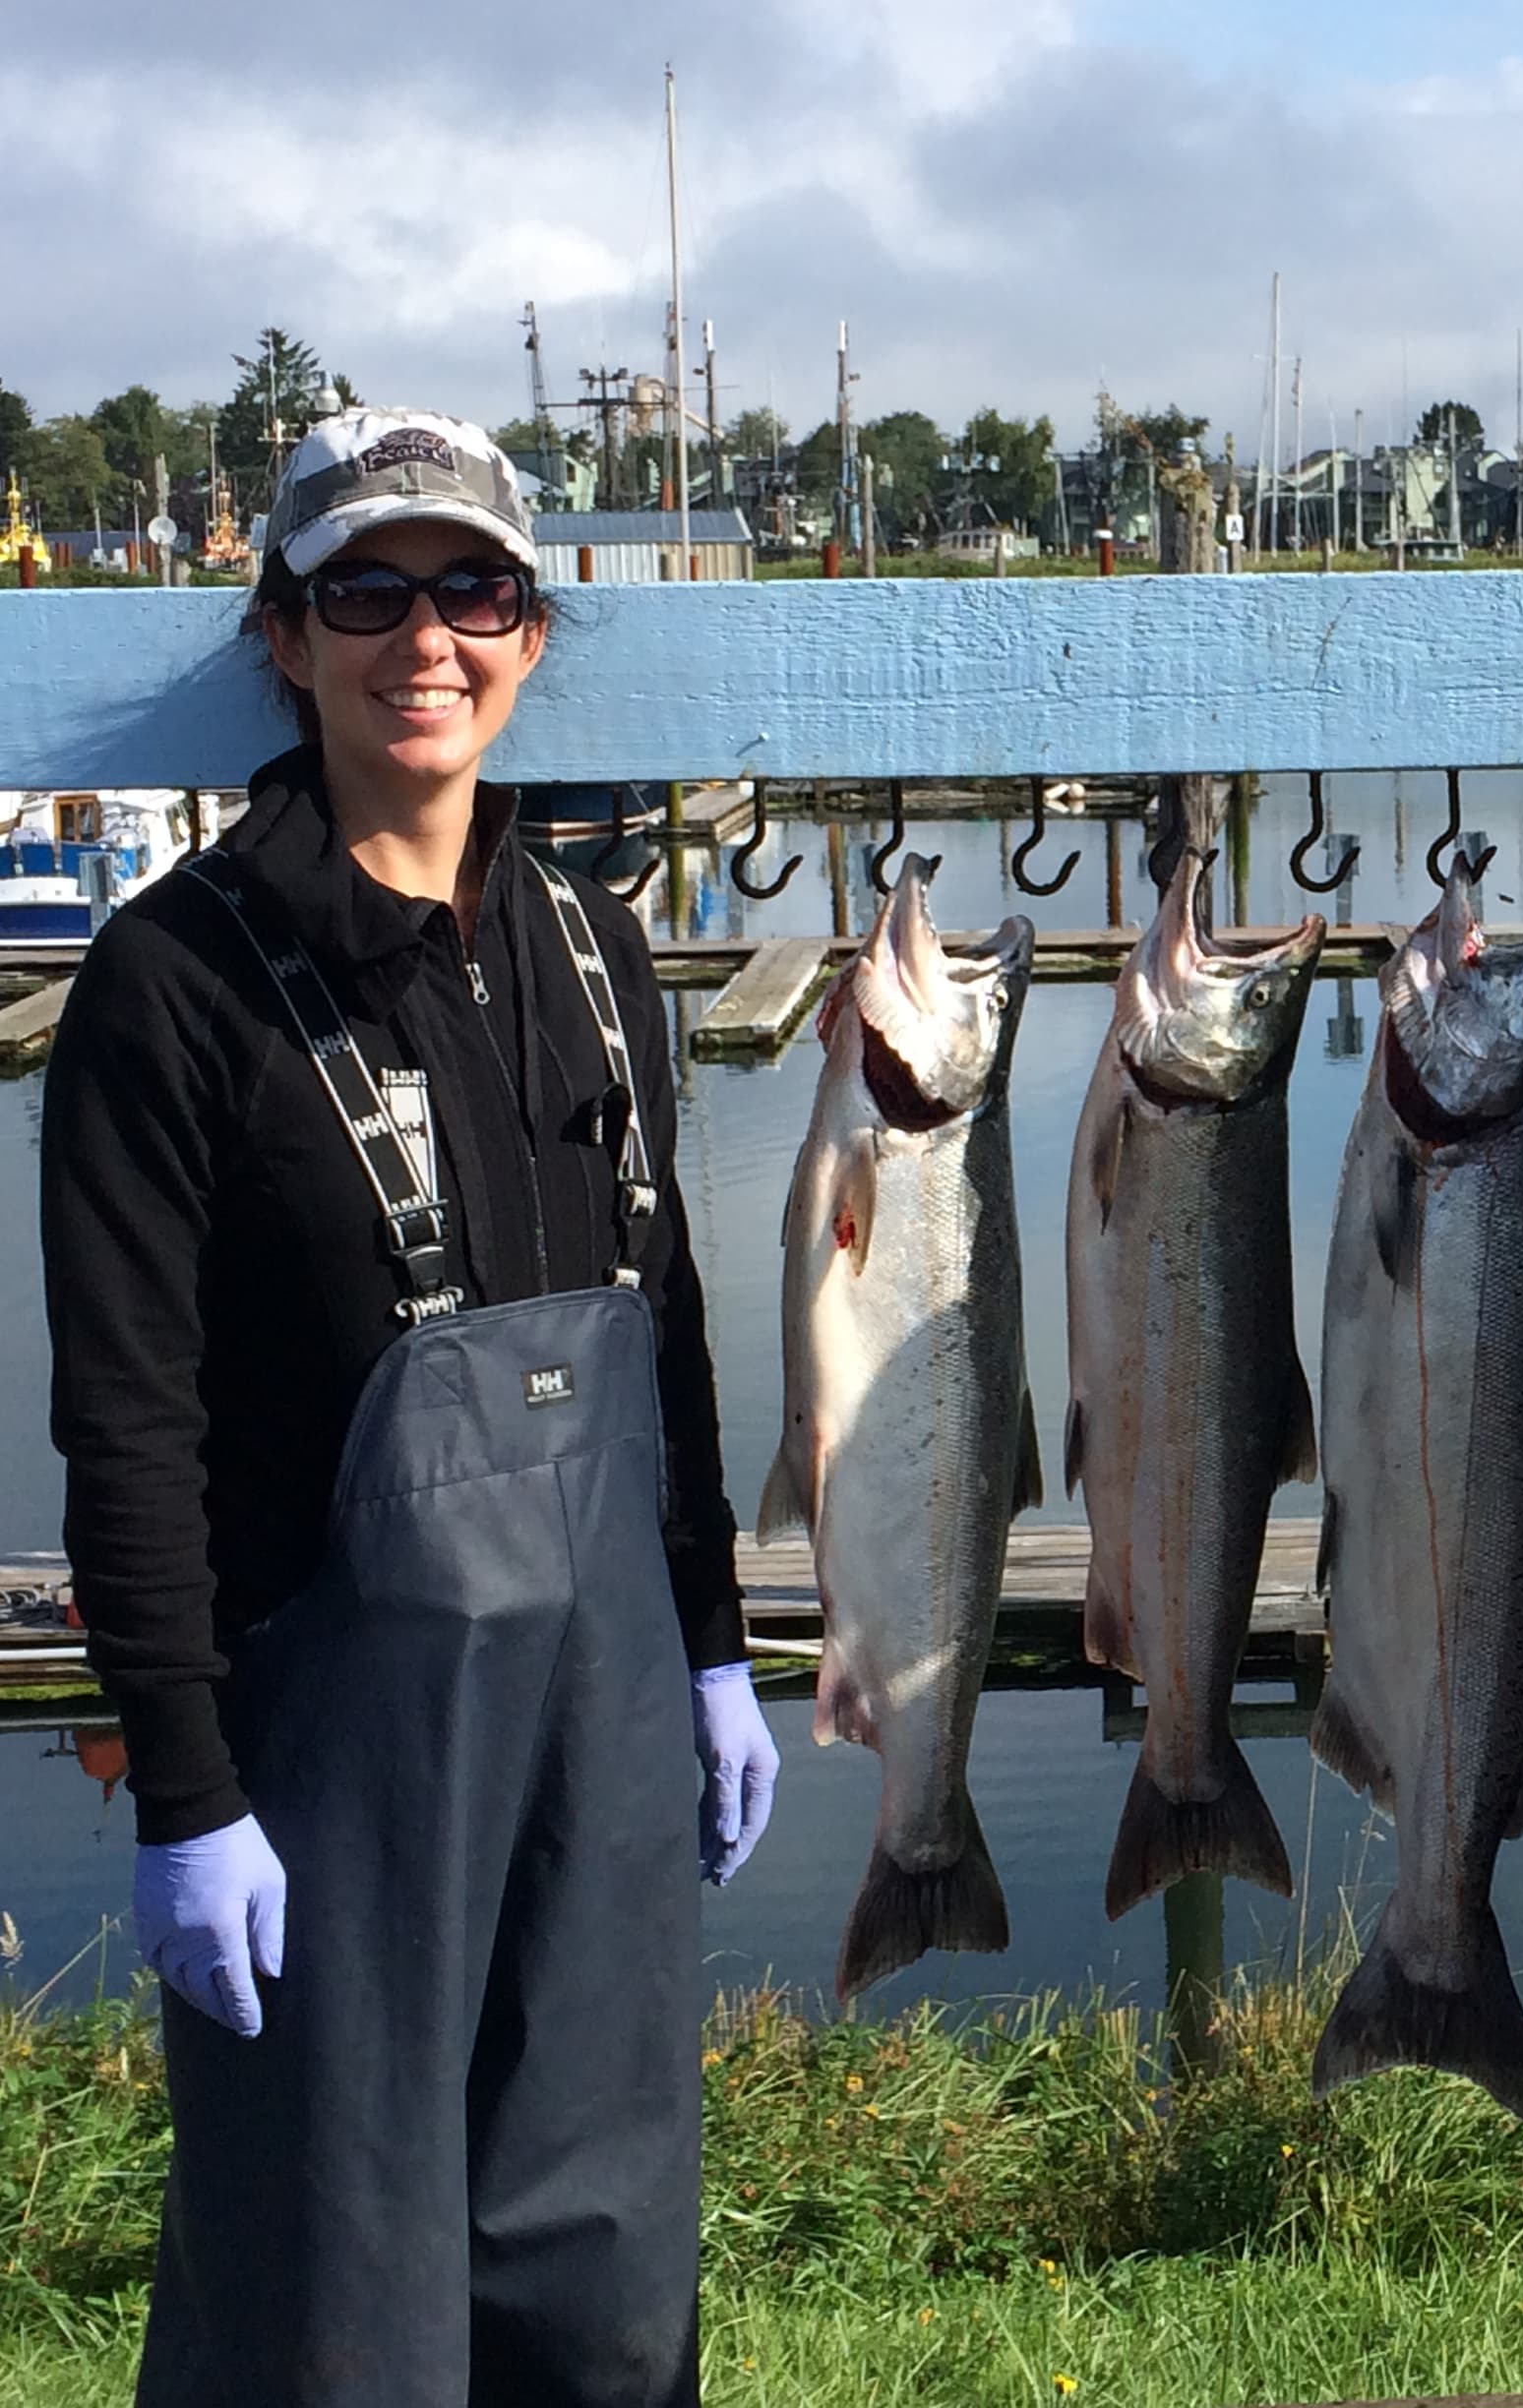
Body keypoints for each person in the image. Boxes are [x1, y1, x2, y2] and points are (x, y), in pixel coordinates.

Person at [41, 407, 778, 2406]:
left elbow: (672, 1334)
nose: (423, 639)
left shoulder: (597, 949)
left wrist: (712, 1646)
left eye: (470, 589)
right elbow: (126, 1432)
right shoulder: (167, 991)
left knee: (606, 2294)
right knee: (333, 2323)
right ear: (283, 635)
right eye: (366, 590)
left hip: (608, 1739)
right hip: (323, 1776)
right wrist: (187, 1795)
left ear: (531, 632)